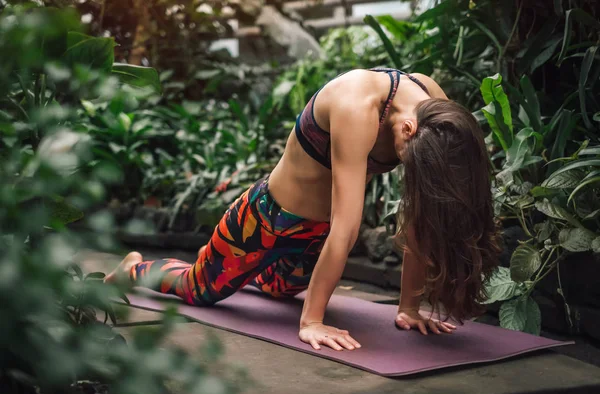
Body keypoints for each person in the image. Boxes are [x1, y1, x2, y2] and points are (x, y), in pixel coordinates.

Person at [105, 67, 500, 352]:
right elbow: (345, 228)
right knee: (200, 289)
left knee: (277, 291)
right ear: (407, 129)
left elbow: (421, 215)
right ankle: (133, 269)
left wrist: (409, 307)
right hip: (265, 220)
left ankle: (259, 272)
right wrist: (311, 322)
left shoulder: (437, 114)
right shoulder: (356, 105)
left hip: (313, 241)